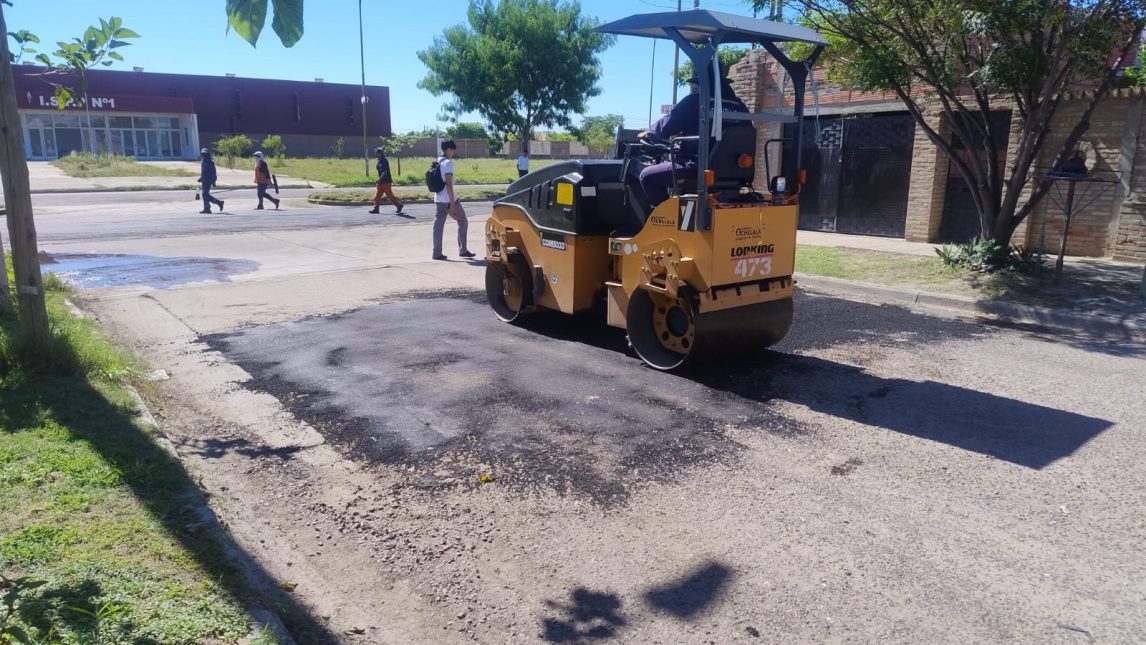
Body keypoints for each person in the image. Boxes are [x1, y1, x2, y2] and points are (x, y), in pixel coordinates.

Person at [638, 74, 748, 206]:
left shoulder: (696, 102)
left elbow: (666, 126)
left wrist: (650, 133)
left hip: (697, 166)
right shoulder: (741, 107)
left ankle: (667, 219)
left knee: (647, 176)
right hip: (734, 171)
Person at [432, 140, 476, 260]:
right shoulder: (447, 163)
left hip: (438, 199)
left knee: (438, 225)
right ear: (448, 149)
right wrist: (452, 203)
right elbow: (449, 184)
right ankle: (463, 250)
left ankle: (436, 253)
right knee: (463, 221)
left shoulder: (438, 161)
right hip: (448, 199)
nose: (453, 152)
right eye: (453, 150)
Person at [369, 147, 403, 215]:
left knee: (390, 196)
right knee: (377, 196)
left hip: (386, 181)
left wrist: (379, 179)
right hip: (381, 182)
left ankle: (399, 205)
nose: (375, 154)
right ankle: (376, 208)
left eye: (377, 153)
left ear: (380, 153)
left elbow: (385, 172)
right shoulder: (379, 161)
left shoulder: (384, 161)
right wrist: (379, 180)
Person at [198, 148, 224, 214]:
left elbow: (213, 172)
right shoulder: (203, 161)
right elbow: (204, 172)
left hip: (209, 180)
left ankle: (207, 208)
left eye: (205, 154)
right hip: (204, 180)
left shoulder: (210, 162)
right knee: (205, 194)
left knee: (205, 194)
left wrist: (214, 181)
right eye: (203, 154)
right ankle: (217, 203)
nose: (204, 155)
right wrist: (201, 178)